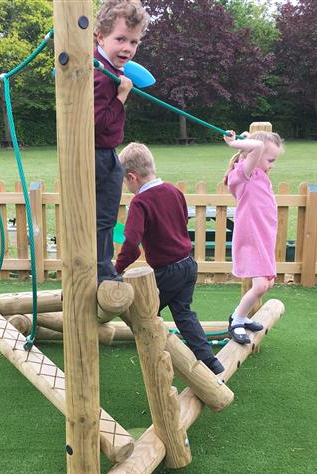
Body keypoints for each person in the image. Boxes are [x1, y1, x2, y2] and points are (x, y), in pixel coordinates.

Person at [114, 142, 224, 376]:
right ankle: (211, 363)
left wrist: (117, 270)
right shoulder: (174, 191)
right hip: (188, 265)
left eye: (126, 182)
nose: (127, 187)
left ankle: (158, 364)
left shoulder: (140, 202)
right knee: (183, 313)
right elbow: (182, 221)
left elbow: (132, 245)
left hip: (167, 272)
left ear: (132, 177)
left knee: (142, 315)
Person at [93, 0, 148, 283]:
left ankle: (101, 267)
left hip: (101, 153)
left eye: (134, 42)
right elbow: (97, 123)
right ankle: (102, 270)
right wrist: (121, 97)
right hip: (99, 153)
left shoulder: (104, 66)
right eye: (121, 39)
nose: (127, 48)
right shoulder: (102, 76)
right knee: (103, 216)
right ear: (100, 36)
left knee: (101, 215)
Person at [222, 130, 284, 344]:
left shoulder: (259, 175)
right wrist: (234, 143)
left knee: (267, 284)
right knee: (259, 286)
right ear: (253, 156)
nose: (272, 165)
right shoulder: (243, 175)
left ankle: (242, 317)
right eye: (270, 160)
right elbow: (256, 148)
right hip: (251, 237)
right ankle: (236, 320)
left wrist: (246, 144)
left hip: (264, 237)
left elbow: (255, 149)